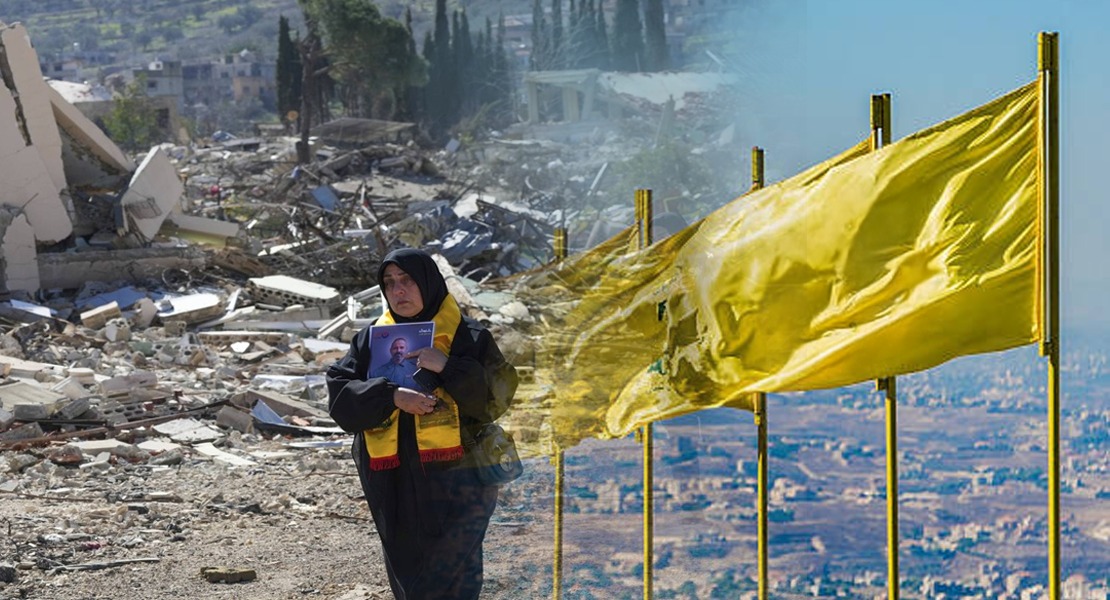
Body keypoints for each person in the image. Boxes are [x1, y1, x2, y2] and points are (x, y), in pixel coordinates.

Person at [326, 248, 518, 600]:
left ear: (428, 283)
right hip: (394, 477)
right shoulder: (371, 339)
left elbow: (498, 397)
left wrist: (448, 367)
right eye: (389, 283)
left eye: (407, 280)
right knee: (408, 565)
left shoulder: (468, 336)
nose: (398, 290)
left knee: (454, 568)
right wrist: (391, 397)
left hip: (459, 476)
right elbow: (340, 395)